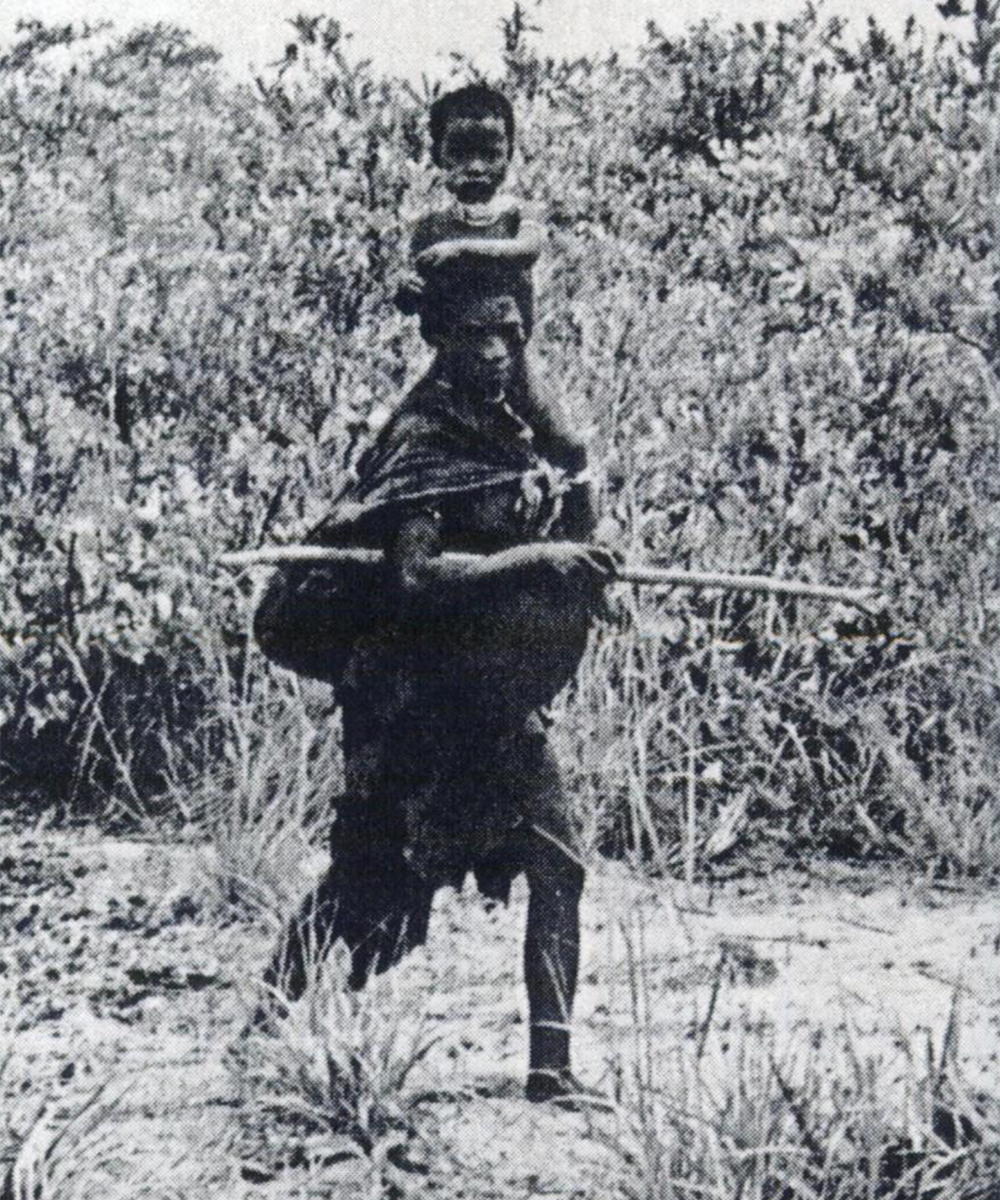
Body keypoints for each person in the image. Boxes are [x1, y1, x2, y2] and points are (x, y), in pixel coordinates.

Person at [253, 276, 616, 1104]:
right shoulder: (424, 438)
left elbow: (564, 540)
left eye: (511, 335)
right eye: (477, 336)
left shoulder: (509, 434)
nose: (495, 351)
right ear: (443, 343)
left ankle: (551, 1070)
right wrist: (533, 561)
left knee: (557, 862)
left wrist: (578, 523)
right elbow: (414, 580)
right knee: (370, 880)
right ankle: (261, 1022)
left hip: (488, 697)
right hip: (417, 704)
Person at [395, 82, 585, 476]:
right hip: (452, 363)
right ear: (438, 156)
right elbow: (419, 298)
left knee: (568, 445)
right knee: (391, 442)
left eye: (489, 154)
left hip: (508, 359)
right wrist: (408, 293)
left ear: (509, 155)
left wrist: (462, 251)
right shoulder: (431, 227)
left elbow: (526, 251)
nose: (476, 167)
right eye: (461, 154)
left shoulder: (518, 215)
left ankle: (584, 527)